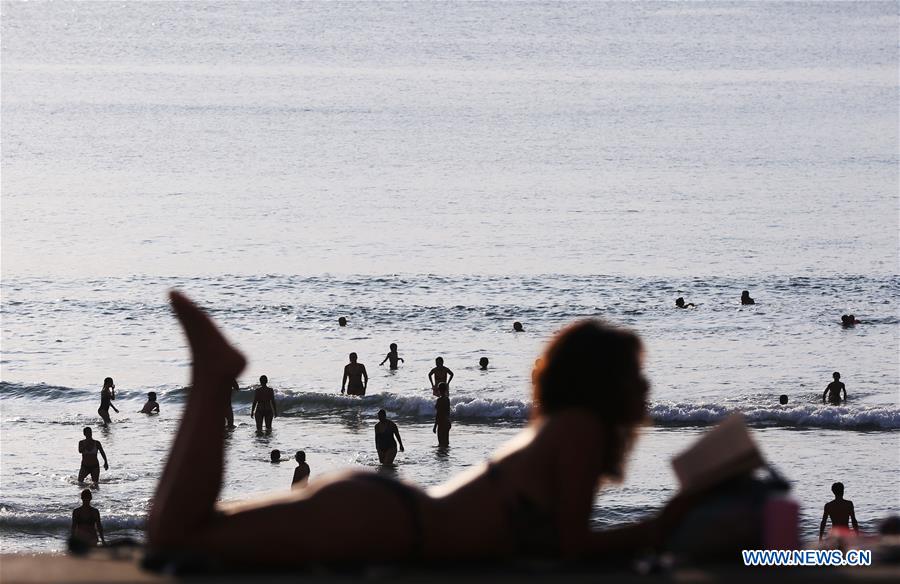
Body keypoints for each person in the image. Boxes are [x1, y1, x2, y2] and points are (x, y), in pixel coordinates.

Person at [147, 292, 693, 565]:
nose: (644, 388)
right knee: (178, 542)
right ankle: (211, 375)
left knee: (182, 538)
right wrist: (661, 527)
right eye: (633, 375)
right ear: (603, 383)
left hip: (382, 512)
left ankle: (210, 374)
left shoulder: (563, 431)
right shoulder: (579, 431)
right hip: (386, 522)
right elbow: (574, 549)